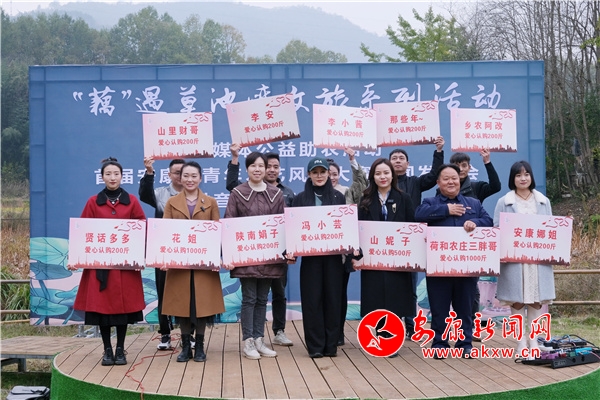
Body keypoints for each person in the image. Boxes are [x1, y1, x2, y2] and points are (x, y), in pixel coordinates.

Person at [72, 157, 146, 366]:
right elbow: (83, 231)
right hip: (100, 267)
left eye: (116, 174)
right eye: (108, 174)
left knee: (123, 312)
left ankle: (120, 349)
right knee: (102, 312)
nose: (112, 177)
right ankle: (107, 350)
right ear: (102, 177)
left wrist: (137, 255)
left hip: (125, 267)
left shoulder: (132, 201)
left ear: (122, 176)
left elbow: (142, 227)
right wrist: (76, 257)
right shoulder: (92, 202)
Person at [415, 164, 493, 358]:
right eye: (446, 178)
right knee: (439, 308)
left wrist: (475, 222)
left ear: (460, 180)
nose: (451, 182)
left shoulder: (473, 203)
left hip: (466, 267)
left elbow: (489, 221)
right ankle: (439, 343)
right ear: (438, 182)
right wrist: (446, 210)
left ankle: (464, 344)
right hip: (439, 267)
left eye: (454, 178)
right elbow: (418, 215)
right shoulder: (430, 202)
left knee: (465, 308)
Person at [225, 143, 294, 347]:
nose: (257, 169)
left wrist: (289, 250)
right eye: (253, 165)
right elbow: (229, 224)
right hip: (246, 257)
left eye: (261, 166)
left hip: (270, 257)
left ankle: (259, 339)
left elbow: (284, 225)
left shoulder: (276, 194)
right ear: (247, 169)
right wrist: (229, 255)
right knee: (249, 298)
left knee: (263, 299)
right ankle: (248, 341)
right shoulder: (237, 193)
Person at [161, 161, 225, 362]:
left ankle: (200, 347)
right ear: (180, 178)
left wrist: (217, 257)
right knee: (182, 307)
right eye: (186, 176)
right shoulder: (172, 202)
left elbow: (217, 232)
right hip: (179, 265)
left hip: (203, 266)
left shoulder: (210, 202)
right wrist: (164, 257)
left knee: (202, 306)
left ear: (200, 178)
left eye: (193, 176)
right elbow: (165, 233)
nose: (189, 180)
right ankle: (185, 347)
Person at [354, 158, 416, 356]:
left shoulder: (404, 198)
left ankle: (393, 341)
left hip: (397, 260)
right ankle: (376, 340)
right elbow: (358, 229)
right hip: (372, 260)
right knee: (375, 298)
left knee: (396, 298)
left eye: (386, 173)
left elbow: (412, 227)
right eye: (378, 173)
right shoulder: (365, 199)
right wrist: (356, 254)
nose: (383, 177)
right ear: (372, 176)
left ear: (392, 175)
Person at [493, 160, 554, 358]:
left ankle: (534, 341)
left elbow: (551, 228)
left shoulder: (543, 201)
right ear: (513, 178)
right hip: (515, 261)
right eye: (518, 175)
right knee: (516, 302)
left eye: (526, 174)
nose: (523, 178)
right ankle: (520, 342)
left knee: (536, 301)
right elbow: (497, 228)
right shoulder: (504, 202)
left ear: (531, 177)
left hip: (537, 260)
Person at [290, 157, 347, 358]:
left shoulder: (338, 197)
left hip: (333, 258)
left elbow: (345, 227)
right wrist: (291, 250)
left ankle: (331, 346)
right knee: (312, 301)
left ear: (329, 174)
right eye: (315, 172)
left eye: (323, 172)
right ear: (309, 175)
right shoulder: (300, 199)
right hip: (311, 259)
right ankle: (315, 346)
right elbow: (294, 229)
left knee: (333, 299)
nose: (320, 176)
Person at [388, 136, 445, 336]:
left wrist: (438, 151)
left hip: (411, 240)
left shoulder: (415, 182)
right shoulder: (384, 184)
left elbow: (434, 174)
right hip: (389, 241)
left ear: (408, 163)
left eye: (401, 158)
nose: (397, 161)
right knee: (390, 285)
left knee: (410, 285)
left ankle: (410, 325)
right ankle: (391, 324)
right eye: (394, 158)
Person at [446, 149, 501, 333]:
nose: (460, 169)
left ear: (469, 167)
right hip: (450, 245)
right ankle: (454, 326)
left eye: (464, 165)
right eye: (456, 165)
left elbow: (496, 186)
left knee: (472, 289)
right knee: (451, 288)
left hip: (471, 245)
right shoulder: (443, 190)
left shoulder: (476, 188)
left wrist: (487, 162)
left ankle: (471, 328)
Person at [139, 157, 184, 350]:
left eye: (184, 172)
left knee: (186, 293)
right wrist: (149, 173)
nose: (181, 176)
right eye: (177, 172)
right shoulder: (160, 194)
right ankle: (165, 334)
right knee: (163, 291)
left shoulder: (195, 195)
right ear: (169, 174)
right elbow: (145, 195)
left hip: (187, 251)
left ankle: (188, 334)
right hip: (163, 250)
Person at [326, 149, 368, 347]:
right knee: (323, 295)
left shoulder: (346, 192)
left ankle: (338, 332)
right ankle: (324, 331)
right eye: (327, 173)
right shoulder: (312, 196)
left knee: (339, 294)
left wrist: (352, 160)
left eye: (334, 174)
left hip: (342, 255)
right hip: (321, 254)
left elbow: (362, 185)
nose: (331, 177)